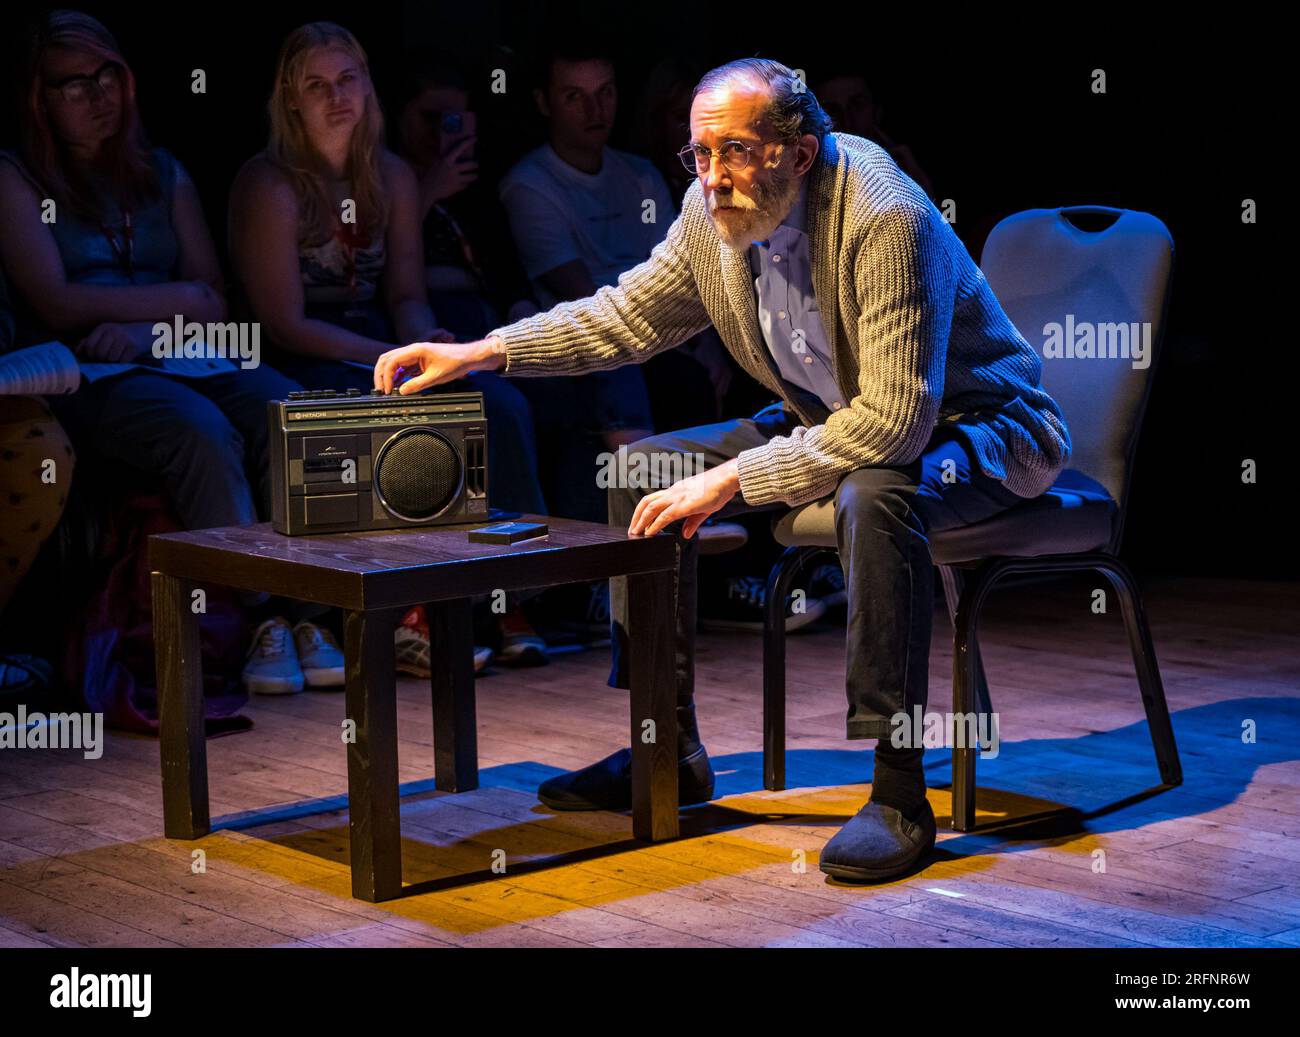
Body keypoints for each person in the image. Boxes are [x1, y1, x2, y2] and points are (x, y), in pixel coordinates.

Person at [374, 58, 1072, 882]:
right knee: (642, 469)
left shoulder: (883, 213)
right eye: (698, 155)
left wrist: (734, 481)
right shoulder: (715, 214)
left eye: (734, 152)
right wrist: (484, 351)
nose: (711, 178)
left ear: (800, 154)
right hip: (828, 417)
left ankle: (897, 787)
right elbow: (628, 314)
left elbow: (894, 421)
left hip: (976, 427)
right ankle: (663, 747)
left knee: (879, 493)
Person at [0, 10, 311, 692]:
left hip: (178, 350)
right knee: (196, 429)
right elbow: (56, 301)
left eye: (107, 74)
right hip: (86, 370)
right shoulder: (18, 179)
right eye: (73, 84)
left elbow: (215, 298)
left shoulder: (163, 171)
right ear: (39, 98)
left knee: (283, 405)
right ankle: (258, 615)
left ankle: (314, 612)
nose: (96, 94)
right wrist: (179, 304)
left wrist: (151, 325)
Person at [230, 22, 550, 678]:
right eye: (316, 85)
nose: (336, 95)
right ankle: (399, 613)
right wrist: (390, 349)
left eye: (348, 79)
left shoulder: (394, 177)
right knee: (349, 410)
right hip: (302, 350)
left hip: (376, 336)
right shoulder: (269, 184)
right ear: (291, 98)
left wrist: (426, 337)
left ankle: (505, 597)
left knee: (499, 402)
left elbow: (405, 290)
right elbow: (284, 321)